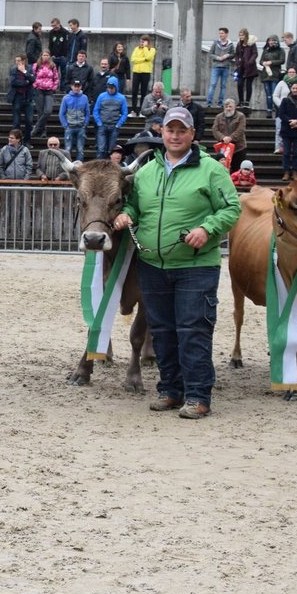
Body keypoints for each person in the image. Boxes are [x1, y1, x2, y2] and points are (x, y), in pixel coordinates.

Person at [112, 106, 241, 419]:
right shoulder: (146, 172)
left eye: (182, 130)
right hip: (152, 265)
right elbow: (134, 205)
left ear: (192, 134)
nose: (175, 135)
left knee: (193, 330)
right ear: (162, 133)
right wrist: (126, 214)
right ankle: (170, 390)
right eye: (170, 130)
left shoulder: (211, 170)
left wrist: (206, 228)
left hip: (196, 266)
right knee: (163, 331)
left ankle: (197, 395)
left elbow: (231, 209)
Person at [92, 77, 128, 159]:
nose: (110, 89)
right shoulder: (101, 96)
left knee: (111, 150)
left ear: (116, 87)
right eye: (109, 87)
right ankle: (99, 165)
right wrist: (99, 122)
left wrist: (118, 124)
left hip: (114, 126)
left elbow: (125, 113)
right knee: (101, 149)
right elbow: (96, 110)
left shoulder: (121, 98)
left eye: (112, 88)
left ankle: (110, 165)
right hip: (102, 125)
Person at [30, 49, 61, 137]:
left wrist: (54, 87)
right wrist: (35, 85)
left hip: (49, 90)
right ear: (41, 56)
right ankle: (43, 131)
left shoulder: (52, 66)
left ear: (49, 56)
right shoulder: (36, 65)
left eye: (47, 55)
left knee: (48, 111)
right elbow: (32, 77)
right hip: (39, 90)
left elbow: (56, 78)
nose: (45, 57)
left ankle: (36, 128)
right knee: (40, 112)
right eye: (44, 55)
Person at [60, 78, 91, 161]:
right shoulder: (66, 98)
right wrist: (65, 125)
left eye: (78, 86)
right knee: (68, 149)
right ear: (71, 86)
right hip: (69, 126)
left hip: (81, 127)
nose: (77, 88)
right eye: (75, 86)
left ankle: (79, 166)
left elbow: (87, 112)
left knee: (80, 150)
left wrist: (85, 124)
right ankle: (68, 167)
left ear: (81, 87)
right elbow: (62, 113)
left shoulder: (85, 98)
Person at [7, 54, 34, 143]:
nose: (17, 62)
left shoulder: (29, 69)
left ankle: (27, 141)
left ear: (24, 61)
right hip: (17, 97)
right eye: (16, 60)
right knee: (16, 122)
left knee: (29, 121)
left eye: (19, 60)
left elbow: (33, 79)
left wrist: (24, 72)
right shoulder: (13, 69)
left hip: (28, 97)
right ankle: (17, 141)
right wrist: (25, 82)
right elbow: (13, 82)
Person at [258, 34, 285, 115]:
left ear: (276, 41)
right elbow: (260, 61)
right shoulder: (265, 50)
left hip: (275, 74)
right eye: (269, 40)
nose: (271, 42)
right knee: (268, 94)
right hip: (265, 75)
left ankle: (277, 110)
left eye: (273, 40)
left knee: (274, 94)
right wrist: (263, 63)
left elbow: (282, 60)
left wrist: (271, 62)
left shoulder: (280, 50)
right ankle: (269, 110)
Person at [208, 27, 233, 109]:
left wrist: (227, 55)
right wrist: (217, 57)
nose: (220, 35)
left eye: (222, 33)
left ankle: (220, 103)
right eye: (219, 33)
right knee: (213, 84)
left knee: (223, 86)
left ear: (226, 34)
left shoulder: (230, 44)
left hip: (225, 67)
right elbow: (210, 53)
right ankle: (209, 103)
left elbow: (233, 54)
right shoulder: (216, 43)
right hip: (216, 66)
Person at [233, 28, 258, 109]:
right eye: (240, 35)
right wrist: (237, 62)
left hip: (250, 68)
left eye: (242, 35)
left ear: (246, 35)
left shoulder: (251, 43)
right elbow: (236, 54)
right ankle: (241, 101)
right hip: (241, 67)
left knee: (248, 85)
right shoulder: (239, 44)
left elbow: (255, 53)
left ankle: (247, 102)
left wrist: (250, 61)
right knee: (239, 84)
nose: (241, 37)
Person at [129, 35, 156, 110]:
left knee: (144, 92)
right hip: (136, 72)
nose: (141, 43)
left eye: (143, 42)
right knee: (134, 91)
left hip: (146, 72)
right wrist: (143, 59)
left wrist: (145, 48)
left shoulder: (152, 49)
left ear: (147, 42)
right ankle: (134, 109)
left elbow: (149, 57)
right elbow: (133, 59)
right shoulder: (136, 49)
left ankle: (142, 109)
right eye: (140, 41)